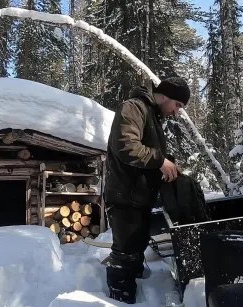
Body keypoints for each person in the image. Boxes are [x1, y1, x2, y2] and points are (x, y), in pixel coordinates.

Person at [103, 77, 191, 304]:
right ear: (164, 96)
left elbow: (148, 154)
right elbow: (126, 145)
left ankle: (133, 291)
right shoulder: (133, 108)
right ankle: (119, 299)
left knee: (136, 247)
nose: (177, 111)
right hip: (125, 196)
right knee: (125, 253)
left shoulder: (153, 115)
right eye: (178, 105)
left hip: (138, 197)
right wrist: (160, 160)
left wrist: (167, 164)